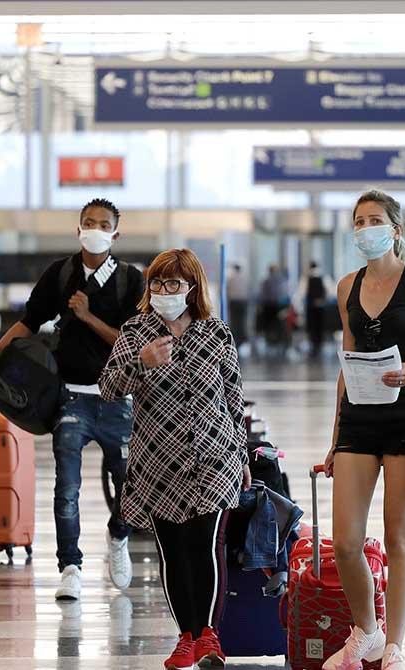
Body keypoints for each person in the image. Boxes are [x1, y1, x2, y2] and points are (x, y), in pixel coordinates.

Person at [0, 198, 145, 600]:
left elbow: (132, 340)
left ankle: (118, 536)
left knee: (129, 483)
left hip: (117, 398)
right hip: (70, 397)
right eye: (88, 222)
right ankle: (70, 564)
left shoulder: (130, 281)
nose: (95, 229)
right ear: (78, 229)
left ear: (115, 234)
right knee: (65, 486)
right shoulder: (61, 273)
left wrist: (87, 317)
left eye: (103, 224)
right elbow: (28, 322)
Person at [99, 248, 249, 670]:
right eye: (157, 283)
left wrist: (241, 454)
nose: (163, 291)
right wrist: (141, 364)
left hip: (215, 459)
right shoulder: (135, 332)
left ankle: (209, 636)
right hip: (158, 464)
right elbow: (108, 387)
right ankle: (186, 635)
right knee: (174, 550)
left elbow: (233, 399)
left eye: (173, 284)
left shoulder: (216, 333)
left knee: (207, 547)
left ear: (192, 289)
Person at [321, 191, 405, 670]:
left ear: (395, 228)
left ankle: (394, 645)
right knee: (345, 541)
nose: (365, 228)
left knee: (398, 539)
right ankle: (366, 631)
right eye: (358, 221)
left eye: (374, 220)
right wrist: (334, 438)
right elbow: (347, 359)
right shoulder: (347, 286)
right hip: (358, 418)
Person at [296, 261, 335, 357]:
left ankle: (313, 344)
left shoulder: (305, 278)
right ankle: (320, 344)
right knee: (320, 326)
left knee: (312, 326)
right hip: (321, 306)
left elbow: (301, 293)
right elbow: (331, 292)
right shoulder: (324, 277)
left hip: (310, 306)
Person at [226, 263, 250, 346]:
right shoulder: (245, 279)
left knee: (234, 320)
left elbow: (228, 291)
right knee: (242, 320)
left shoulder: (231, 279)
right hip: (243, 302)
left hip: (233, 302)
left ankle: (235, 337)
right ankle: (242, 337)